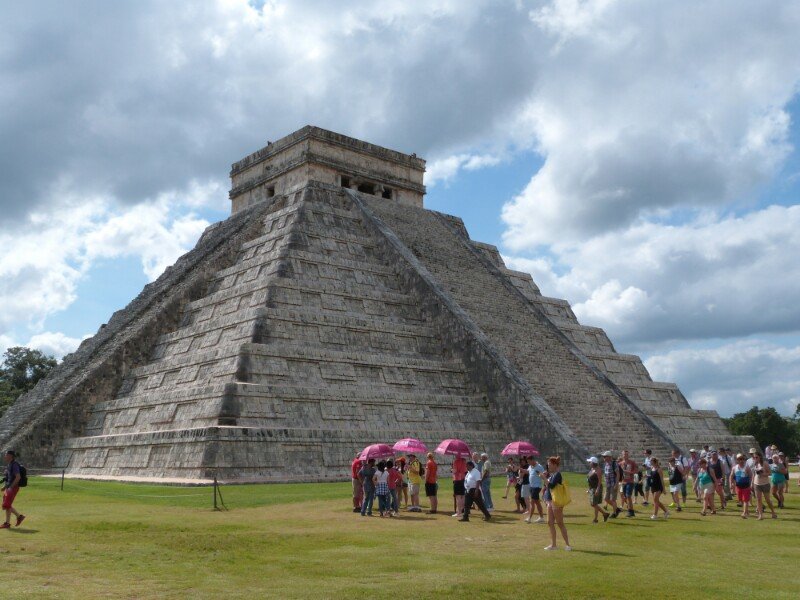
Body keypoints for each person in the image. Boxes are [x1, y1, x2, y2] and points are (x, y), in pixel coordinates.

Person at [542, 456, 570, 551]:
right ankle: (553, 545)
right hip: (550, 501)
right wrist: (546, 478)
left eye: (549, 464)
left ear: (554, 465)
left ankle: (567, 545)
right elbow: (547, 487)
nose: (548, 466)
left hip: (556, 502)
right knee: (550, 523)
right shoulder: (552, 475)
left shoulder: (558, 474)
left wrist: (544, 478)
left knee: (560, 523)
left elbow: (551, 485)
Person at [1, 450, 25, 529]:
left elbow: (18, 477)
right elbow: (9, 478)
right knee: (6, 505)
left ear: (11, 456)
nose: (5, 456)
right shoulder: (9, 464)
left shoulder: (14, 465)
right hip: (9, 487)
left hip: (12, 488)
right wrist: (5, 486)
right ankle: (16, 518)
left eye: (6, 455)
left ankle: (10, 522)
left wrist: (10, 487)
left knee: (6, 505)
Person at [751, 452, 777, 520]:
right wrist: (752, 482)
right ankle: (760, 515)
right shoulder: (755, 464)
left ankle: (773, 512)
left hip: (765, 484)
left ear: (760, 457)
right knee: (758, 500)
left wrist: (763, 474)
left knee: (767, 500)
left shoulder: (764, 463)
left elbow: (770, 473)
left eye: (757, 457)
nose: (755, 459)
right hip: (757, 483)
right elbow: (754, 474)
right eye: (754, 457)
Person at [729, 453, 753, 518]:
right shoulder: (735, 468)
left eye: (742, 459)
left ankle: (744, 513)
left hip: (746, 486)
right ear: (737, 460)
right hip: (738, 486)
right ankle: (747, 511)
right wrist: (730, 484)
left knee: (745, 500)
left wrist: (751, 484)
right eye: (739, 459)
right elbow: (731, 476)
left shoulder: (747, 467)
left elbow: (751, 476)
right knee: (740, 500)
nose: (741, 460)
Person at [586, 457, 609, 523]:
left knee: (593, 504)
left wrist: (597, 489)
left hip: (596, 488)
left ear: (593, 463)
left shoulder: (598, 470)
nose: (589, 463)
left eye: (590, 462)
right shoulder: (592, 469)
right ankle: (595, 519)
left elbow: (599, 481)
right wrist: (589, 489)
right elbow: (590, 479)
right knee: (595, 504)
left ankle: (605, 514)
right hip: (592, 488)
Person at [601, 451, 621, 517]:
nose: (603, 458)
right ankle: (617, 509)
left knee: (613, 499)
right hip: (608, 484)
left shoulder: (614, 464)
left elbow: (618, 474)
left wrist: (616, 484)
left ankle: (615, 513)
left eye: (605, 456)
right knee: (606, 498)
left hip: (613, 484)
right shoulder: (606, 464)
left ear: (609, 457)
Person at [526, 456, 545, 523]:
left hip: (537, 487)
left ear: (533, 460)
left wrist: (541, 475)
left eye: (529, 461)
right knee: (537, 503)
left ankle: (529, 518)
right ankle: (541, 517)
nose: (528, 463)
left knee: (532, 502)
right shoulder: (530, 467)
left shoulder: (539, 466)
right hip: (531, 486)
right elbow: (527, 472)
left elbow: (544, 474)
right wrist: (519, 469)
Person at [620, 450, 637, 517]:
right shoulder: (620, 463)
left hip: (630, 481)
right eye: (624, 454)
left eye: (626, 454)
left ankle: (630, 511)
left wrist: (629, 472)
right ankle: (630, 509)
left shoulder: (632, 462)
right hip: (623, 482)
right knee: (625, 496)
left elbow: (636, 471)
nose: (625, 455)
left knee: (628, 496)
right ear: (622, 455)